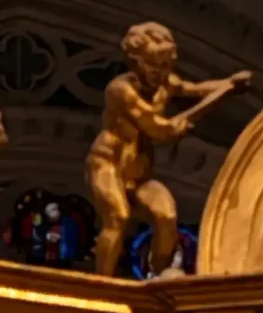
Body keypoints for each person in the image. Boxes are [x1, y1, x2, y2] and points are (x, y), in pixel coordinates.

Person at [84, 22, 249, 276]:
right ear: (135, 61)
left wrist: (228, 84)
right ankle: (100, 285)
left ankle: (159, 277)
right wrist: (208, 105)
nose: (159, 73)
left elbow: (193, 89)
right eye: (153, 65)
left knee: (166, 216)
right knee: (118, 217)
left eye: (165, 66)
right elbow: (161, 130)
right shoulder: (121, 90)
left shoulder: (165, 84)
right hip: (109, 165)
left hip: (140, 173)